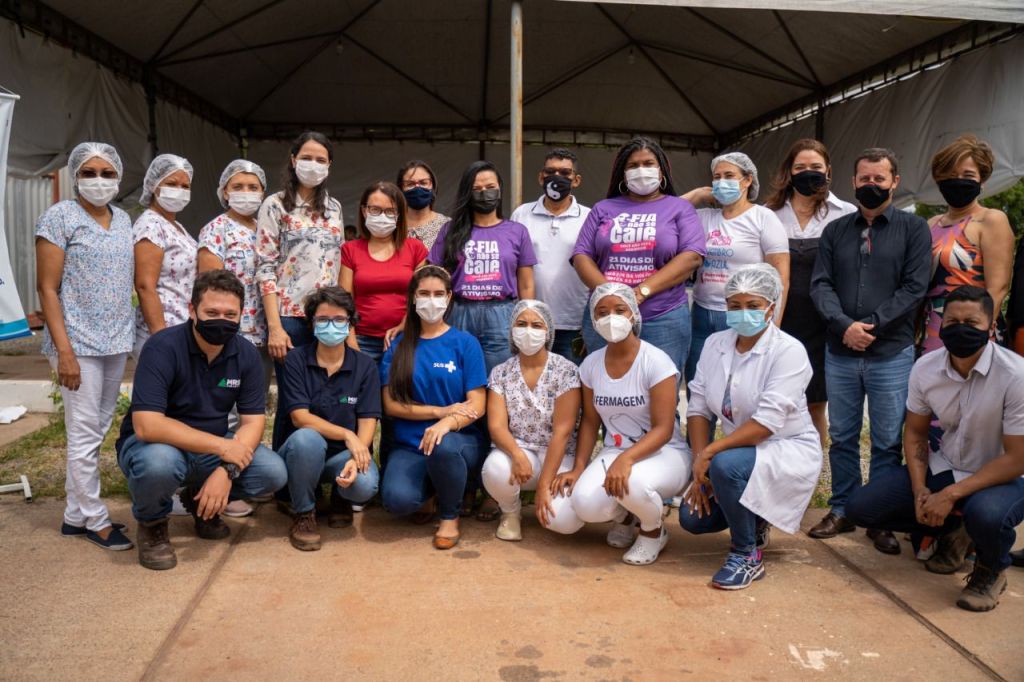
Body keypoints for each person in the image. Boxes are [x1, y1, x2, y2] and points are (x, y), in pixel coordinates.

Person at [846, 286, 1024, 611]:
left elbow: (1017, 458)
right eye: (952, 320)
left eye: (972, 321)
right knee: (861, 508)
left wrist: (950, 495)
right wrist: (919, 491)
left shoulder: (1015, 375)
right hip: (949, 464)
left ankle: (991, 567)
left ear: (991, 322)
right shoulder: (927, 368)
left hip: (1004, 477)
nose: (960, 328)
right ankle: (954, 529)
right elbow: (914, 433)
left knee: (987, 516)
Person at [116, 270, 287, 570]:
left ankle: (201, 502)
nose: (221, 320)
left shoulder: (245, 354)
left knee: (273, 471)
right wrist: (224, 449)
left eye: (229, 314)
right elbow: (147, 425)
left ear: (240, 315)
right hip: (156, 446)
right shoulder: (162, 348)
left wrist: (227, 470)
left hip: (210, 452)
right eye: (212, 312)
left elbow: (252, 423)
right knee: (158, 465)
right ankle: (153, 524)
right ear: (192, 310)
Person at [808, 147, 932, 552]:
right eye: (865, 179)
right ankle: (842, 508)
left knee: (886, 440)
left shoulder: (914, 230)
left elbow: (914, 288)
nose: (872, 185)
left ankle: (877, 518)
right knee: (842, 435)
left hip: (891, 353)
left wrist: (871, 327)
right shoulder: (835, 231)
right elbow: (820, 285)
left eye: (880, 179)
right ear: (854, 182)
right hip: (841, 352)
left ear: (895, 182)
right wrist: (844, 326)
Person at [679, 264, 822, 589]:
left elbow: (766, 425)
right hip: (739, 450)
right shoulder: (716, 344)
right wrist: (700, 458)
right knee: (692, 520)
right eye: (735, 305)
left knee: (726, 467)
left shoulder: (788, 351)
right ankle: (755, 520)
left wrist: (710, 454)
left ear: (771, 307)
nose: (743, 313)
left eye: (753, 305)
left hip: (785, 448)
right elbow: (698, 406)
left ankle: (746, 555)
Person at [543, 284, 691, 565]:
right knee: (585, 505)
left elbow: (663, 429)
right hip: (616, 451)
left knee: (633, 482)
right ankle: (627, 514)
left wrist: (626, 459)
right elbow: (589, 421)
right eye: (602, 312)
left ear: (633, 314)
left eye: (619, 310)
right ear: (594, 321)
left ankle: (652, 531)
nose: (611, 318)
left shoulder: (656, 362)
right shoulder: (591, 365)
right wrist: (578, 467)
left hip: (665, 453)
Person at [35, 142, 134, 550]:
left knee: (99, 426)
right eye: (89, 173)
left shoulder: (125, 218)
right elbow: (47, 287)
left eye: (107, 173)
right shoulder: (59, 217)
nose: (98, 181)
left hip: (115, 339)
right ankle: (95, 519)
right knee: (83, 432)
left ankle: (74, 516)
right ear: (75, 175)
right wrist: (65, 351)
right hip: (77, 342)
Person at [572, 137, 705, 375]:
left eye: (648, 163)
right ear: (623, 174)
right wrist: (613, 297)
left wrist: (640, 292)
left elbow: (692, 256)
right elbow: (582, 255)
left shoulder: (680, 208)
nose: (641, 170)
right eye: (633, 166)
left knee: (662, 394)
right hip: (606, 316)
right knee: (602, 391)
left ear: (661, 170)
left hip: (663, 317)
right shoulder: (603, 208)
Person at [379, 265, 488, 549]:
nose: (431, 300)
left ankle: (449, 515)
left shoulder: (465, 343)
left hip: (458, 440)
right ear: (413, 298)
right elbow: (391, 405)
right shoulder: (398, 346)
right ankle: (430, 493)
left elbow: (477, 404)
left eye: (439, 294)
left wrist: (446, 424)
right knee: (397, 501)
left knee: (443, 445)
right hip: (410, 444)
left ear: (449, 297)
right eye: (424, 293)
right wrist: (439, 412)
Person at [764, 139, 857, 448]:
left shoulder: (846, 213)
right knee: (778, 398)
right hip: (780, 319)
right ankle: (776, 459)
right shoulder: (768, 214)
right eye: (800, 167)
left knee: (816, 401)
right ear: (789, 172)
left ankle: (812, 467)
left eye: (815, 167)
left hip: (825, 322)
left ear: (828, 171)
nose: (808, 173)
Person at [255, 131, 344, 448]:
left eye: (321, 159)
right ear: (293, 160)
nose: (313, 164)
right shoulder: (275, 205)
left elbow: (336, 261)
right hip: (289, 317)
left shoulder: (333, 207)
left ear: (329, 165)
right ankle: (283, 482)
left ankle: (318, 468)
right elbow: (265, 266)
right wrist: (275, 327)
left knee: (324, 395)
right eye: (307, 157)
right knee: (294, 399)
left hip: (325, 319)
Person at [276, 287, 381, 551]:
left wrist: (358, 453)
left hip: (340, 457)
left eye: (339, 319)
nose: (330, 326)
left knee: (365, 486)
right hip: (303, 454)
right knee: (307, 439)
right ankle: (304, 513)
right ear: (311, 324)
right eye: (322, 320)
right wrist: (348, 435)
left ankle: (339, 498)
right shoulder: (295, 361)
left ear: (351, 323)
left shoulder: (365, 365)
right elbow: (300, 418)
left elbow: (368, 419)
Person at [682, 152, 790, 388]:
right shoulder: (703, 217)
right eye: (716, 177)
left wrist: (774, 323)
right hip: (702, 314)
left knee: (742, 386)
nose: (721, 182)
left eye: (729, 176)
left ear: (747, 180)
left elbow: (781, 275)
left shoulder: (763, 217)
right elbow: (664, 214)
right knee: (698, 384)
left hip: (744, 314)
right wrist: (699, 194)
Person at [481, 300, 581, 541]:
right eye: (521, 324)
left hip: (558, 455)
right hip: (520, 453)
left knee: (564, 522)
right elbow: (496, 426)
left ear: (548, 332)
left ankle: (544, 495)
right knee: (495, 469)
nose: (528, 331)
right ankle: (510, 513)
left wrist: (545, 487)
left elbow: (563, 432)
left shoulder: (565, 370)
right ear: (511, 330)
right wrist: (516, 454)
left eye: (537, 325)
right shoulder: (501, 372)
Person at [428, 160, 537, 374]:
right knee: (456, 376)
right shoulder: (450, 231)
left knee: (498, 378)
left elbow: (526, 282)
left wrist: (528, 317)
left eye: (490, 187)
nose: (484, 193)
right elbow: (433, 272)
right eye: (476, 189)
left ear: (500, 189)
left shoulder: (517, 231)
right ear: (467, 193)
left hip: (502, 314)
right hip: (459, 311)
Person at [920, 135, 1014, 354]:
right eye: (951, 175)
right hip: (931, 330)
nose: (958, 180)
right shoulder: (930, 224)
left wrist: (978, 331)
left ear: (981, 180)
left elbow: (998, 288)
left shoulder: (992, 219)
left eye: (968, 175)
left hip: (973, 331)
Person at [510, 149, 591, 364]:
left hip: (574, 324)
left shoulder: (590, 217)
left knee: (571, 390)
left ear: (577, 180)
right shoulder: (521, 214)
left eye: (565, 173)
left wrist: (589, 322)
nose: (557, 177)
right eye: (551, 171)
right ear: (541, 177)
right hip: (531, 323)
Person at [197, 159, 271, 384]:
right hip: (228, 333)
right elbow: (209, 287)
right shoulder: (216, 229)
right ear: (225, 192)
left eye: (253, 187)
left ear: (262, 193)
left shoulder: (265, 229)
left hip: (263, 334)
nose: (246, 192)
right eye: (238, 187)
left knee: (254, 401)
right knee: (224, 401)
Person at [339, 181, 428, 363]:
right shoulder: (350, 249)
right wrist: (351, 340)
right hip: (362, 341)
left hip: (405, 338)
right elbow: (344, 300)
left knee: (400, 392)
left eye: (390, 211)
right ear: (364, 211)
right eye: (375, 209)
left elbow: (422, 294)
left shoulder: (415, 248)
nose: (382, 216)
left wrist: (406, 323)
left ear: (400, 215)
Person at [133, 153, 196, 357]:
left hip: (181, 328)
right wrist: (161, 338)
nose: (179, 191)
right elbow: (144, 286)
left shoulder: (175, 226)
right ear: (154, 185)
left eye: (185, 186)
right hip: (162, 332)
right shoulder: (150, 225)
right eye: (171, 183)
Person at [398, 160, 449, 249]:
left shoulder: (446, 226)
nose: (417, 187)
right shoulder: (391, 225)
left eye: (423, 183)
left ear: (432, 185)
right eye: (410, 184)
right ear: (401, 188)